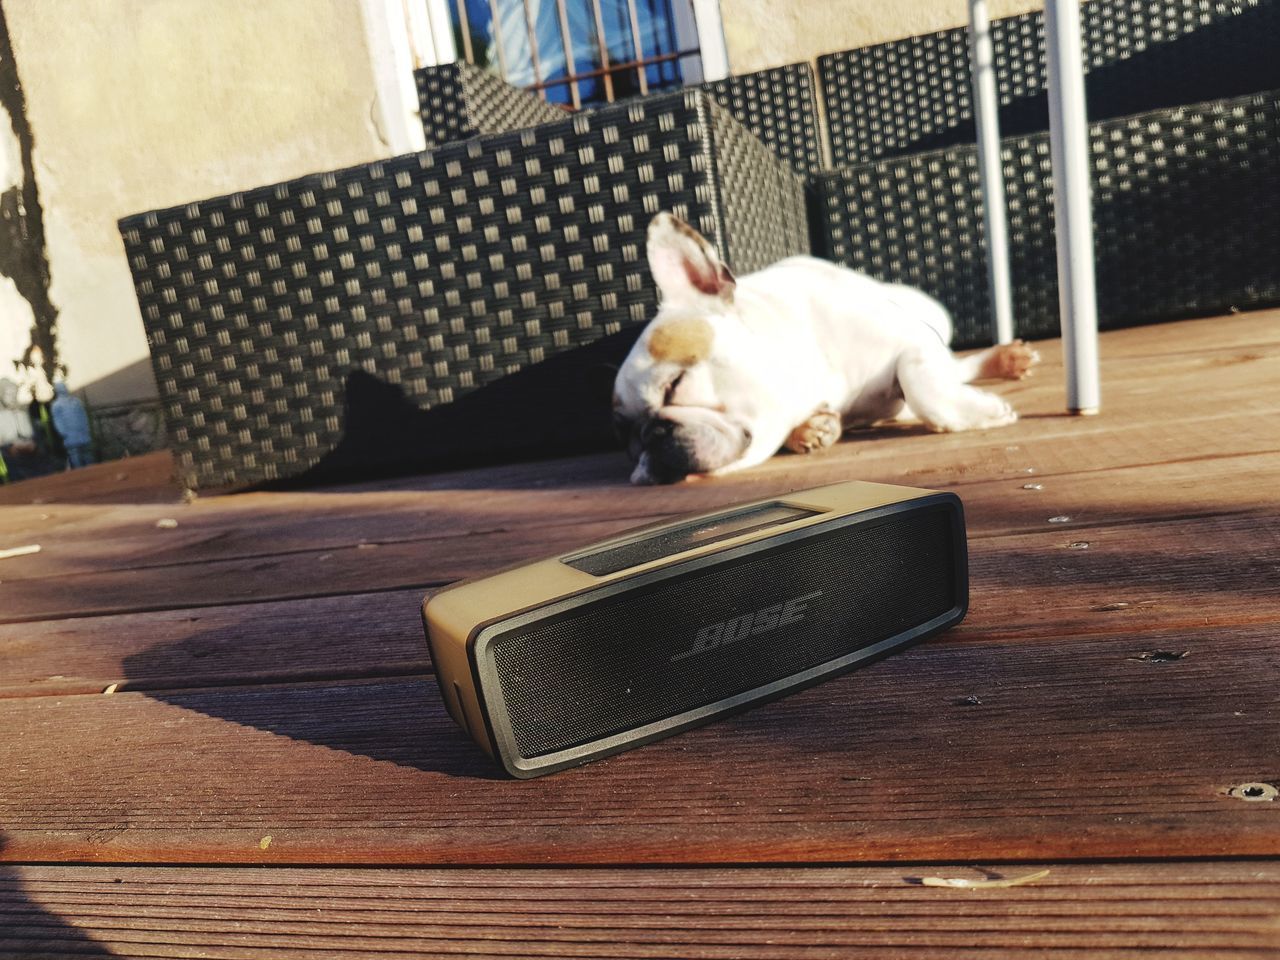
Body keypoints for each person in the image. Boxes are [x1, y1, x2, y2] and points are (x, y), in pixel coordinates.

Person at [50, 380, 94, 468]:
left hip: (82, 431)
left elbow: (83, 415)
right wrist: (63, 432)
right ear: (58, 390)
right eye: (62, 387)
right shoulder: (56, 405)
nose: (64, 389)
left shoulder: (76, 401)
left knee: (87, 453)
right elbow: (57, 420)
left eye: (64, 387)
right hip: (70, 434)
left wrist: (86, 427)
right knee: (75, 454)